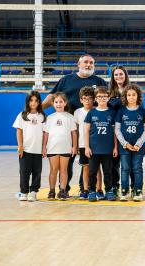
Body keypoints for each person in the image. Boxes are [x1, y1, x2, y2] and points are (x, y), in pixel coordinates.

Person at [42, 54, 107, 195]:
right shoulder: (66, 80)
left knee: (90, 163)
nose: (88, 65)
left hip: (94, 129)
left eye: (91, 62)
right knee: (68, 161)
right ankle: (63, 188)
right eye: (85, 62)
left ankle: (86, 188)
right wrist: (37, 109)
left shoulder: (99, 81)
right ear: (78, 64)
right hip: (69, 127)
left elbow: (108, 99)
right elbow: (52, 96)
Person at [115, 84, 145, 202]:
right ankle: (124, 190)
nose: (131, 97)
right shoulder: (121, 111)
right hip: (125, 146)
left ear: (138, 96)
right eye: (129, 95)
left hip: (138, 147)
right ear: (125, 96)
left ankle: (137, 190)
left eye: (134, 95)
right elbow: (117, 129)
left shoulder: (143, 111)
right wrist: (124, 143)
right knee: (125, 168)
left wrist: (139, 143)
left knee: (137, 168)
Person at [84, 87, 118, 202]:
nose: (102, 98)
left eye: (104, 96)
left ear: (108, 98)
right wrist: (87, 147)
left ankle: (109, 191)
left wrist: (115, 147)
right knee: (92, 172)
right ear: (95, 98)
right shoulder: (91, 113)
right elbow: (86, 131)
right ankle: (92, 191)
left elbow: (115, 132)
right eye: (99, 96)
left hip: (107, 149)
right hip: (94, 149)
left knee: (108, 171)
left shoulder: (112, 113)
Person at [42, 92, 77, 200]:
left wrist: (74, 146)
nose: (58, 104)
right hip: (52, 147)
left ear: (65, 103)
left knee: (64, 170)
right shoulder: (49, 118)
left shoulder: (70, 117)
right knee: (53, 170)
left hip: (66, 147)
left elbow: (74, 133)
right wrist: (44, 147)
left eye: (61, 102)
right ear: (53, 104)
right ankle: (52, 191)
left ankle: (62, 190)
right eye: (56, 102)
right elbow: (46, 134)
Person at [13, 91, 46, 202]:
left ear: (39, 102)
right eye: (31, 100)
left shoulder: (42, 116)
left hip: (38, 150)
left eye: (36, 101)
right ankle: (24, 192)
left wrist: (44, 147)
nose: (33, 103)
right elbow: (19, 131)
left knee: (37, 172)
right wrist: (20, 146)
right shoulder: (22, 115)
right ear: (28, 102)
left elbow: (45, 133)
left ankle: (33, 192)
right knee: (24, 172)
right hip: (26, 150)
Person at [108, 65, 134, 197]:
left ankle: (134, 187)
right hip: (113, 130)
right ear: (113, 77)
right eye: (116, 75)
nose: (119, 77)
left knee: (131, 161)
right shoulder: (109, 92)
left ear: (125, 75)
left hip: (129, 128)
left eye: (121, 74)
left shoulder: (132, 90)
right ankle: (115, 186)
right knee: (114, 161)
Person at [73, 86, 103, 200]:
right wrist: (75, 146)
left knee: (97, 169)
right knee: (86, 168)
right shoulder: (77, 112)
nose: (87, 101)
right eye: (84, 98)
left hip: (97, 144)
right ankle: (85, 190)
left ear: (94, 99)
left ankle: (99, 189)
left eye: (90, 98)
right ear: (81, 99)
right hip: (82, 144)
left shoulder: (97, 110)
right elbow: (75, 130)